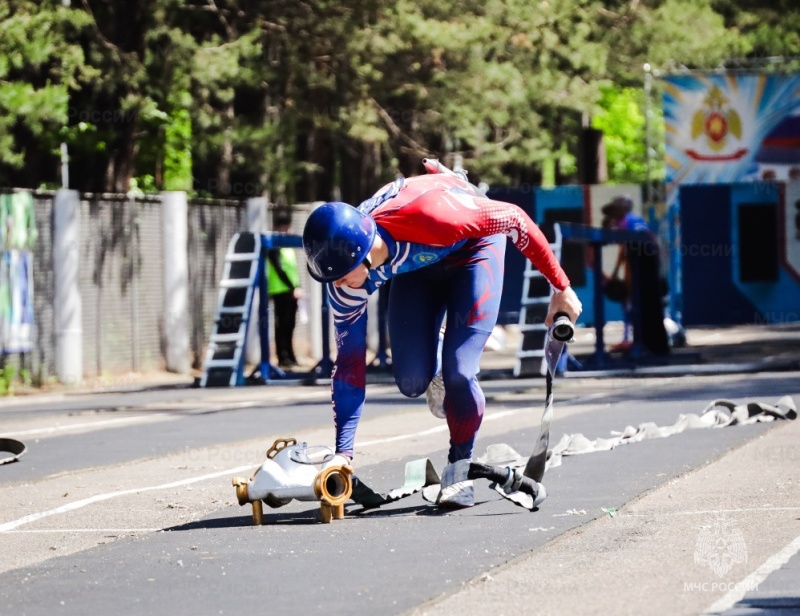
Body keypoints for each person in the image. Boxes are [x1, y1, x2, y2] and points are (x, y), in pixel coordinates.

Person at [302, 160, 582, 508]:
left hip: (471, 247)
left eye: (344, 275)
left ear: (365, 251)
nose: (339, 286)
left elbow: (515, 218)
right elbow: (349, 366)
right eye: (332, 279)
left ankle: (459, 467)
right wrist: (343, 455)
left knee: (460, 370)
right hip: (417, 265)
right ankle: (437, 359)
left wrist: (561, 286)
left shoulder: (437, 216)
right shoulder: (344, 277)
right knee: (411, 382)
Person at [601, 196, 669, 356]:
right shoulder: (635, 220)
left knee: (645, 304)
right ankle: (654, 345)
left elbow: (622, 244)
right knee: (650, 304)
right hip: (648, 261)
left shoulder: (626, 222)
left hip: (644, 262)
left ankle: (649, 345)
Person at [267, 208, 303, 368]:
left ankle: (290, 355)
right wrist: (291, 287)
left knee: (290, 325)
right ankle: (282, 356)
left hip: (291, 291)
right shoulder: (274, 246)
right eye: (285, 227)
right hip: (280, 290)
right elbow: (279, 269)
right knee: (282, 325)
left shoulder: (287, 245)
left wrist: (298, 287)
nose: (288, 230)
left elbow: (292, 269)